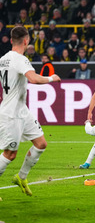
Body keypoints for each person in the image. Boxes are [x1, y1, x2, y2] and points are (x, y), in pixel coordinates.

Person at [0, 26, 61, 196]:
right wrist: (52, 78)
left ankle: (21, 177)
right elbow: (33, 78)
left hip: (21, 110)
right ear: (26, 41)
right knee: (10, 154)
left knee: (41, 144)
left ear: (12, 40)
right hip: (11, 114)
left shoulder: (3, 59)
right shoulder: (21, 59)